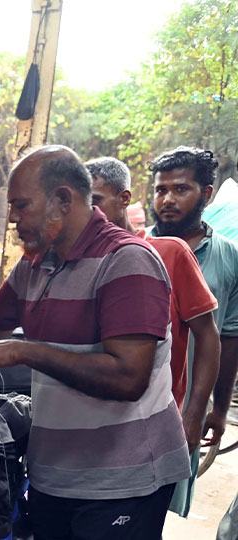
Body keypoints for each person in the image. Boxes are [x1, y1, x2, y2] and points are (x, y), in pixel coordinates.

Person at [0, 145, 192, 539]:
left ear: (62, 200)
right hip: (54, 474)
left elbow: (129, 377)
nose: (11, 218)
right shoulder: (36, 262)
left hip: (124, 480)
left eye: (21, 205)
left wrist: (24, 351)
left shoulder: (127, 261)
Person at [87, 156, 220, 455]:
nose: (87, 212)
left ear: (124, 199)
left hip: (156, 422)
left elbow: (209, 336)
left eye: (95, 201)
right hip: (94, 422)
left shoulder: (168, 253)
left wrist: (194, 414)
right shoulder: (80, 263)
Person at [146, 147, 238, 520]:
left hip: (187, 408)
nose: (167, 199)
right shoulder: (133, 246)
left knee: (160, 507)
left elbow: (228, 336)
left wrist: (216, 409)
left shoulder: (230, 257)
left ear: (207, 193)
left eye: (180, 189)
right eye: (160, 189)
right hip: (134, 401)